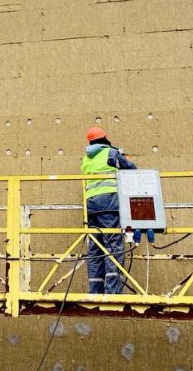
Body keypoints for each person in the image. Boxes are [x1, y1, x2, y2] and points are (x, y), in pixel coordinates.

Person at [81, 126, 136, 294]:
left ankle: (95, 291)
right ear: (105, 138)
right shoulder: (110, 153)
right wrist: (123, 158)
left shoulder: (86, 159)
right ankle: (112, 292)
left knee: (95, 248)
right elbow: (132, 169)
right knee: (113, 246)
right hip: (109, 205)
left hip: (91, 207)